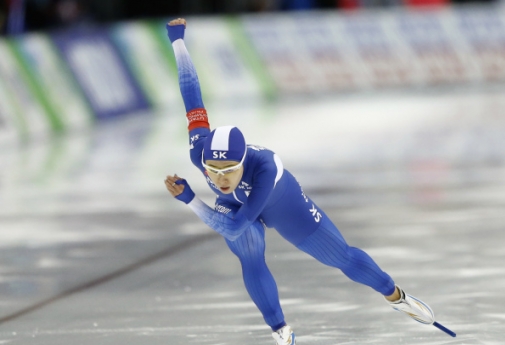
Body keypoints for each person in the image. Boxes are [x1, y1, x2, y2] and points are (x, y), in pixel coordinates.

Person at [164, 18, 436, 345]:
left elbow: (234, 226)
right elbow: (192, 95)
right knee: (249, 251)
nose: (220, 178)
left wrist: (190, 199)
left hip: (282, 204)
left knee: (341, 258)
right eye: (213, 169)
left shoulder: (265, 168)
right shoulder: (199, 150)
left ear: (244, 162)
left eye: (229, 170)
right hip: (236, 206)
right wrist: (177, 41)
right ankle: (281, 330)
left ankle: (395, 295)